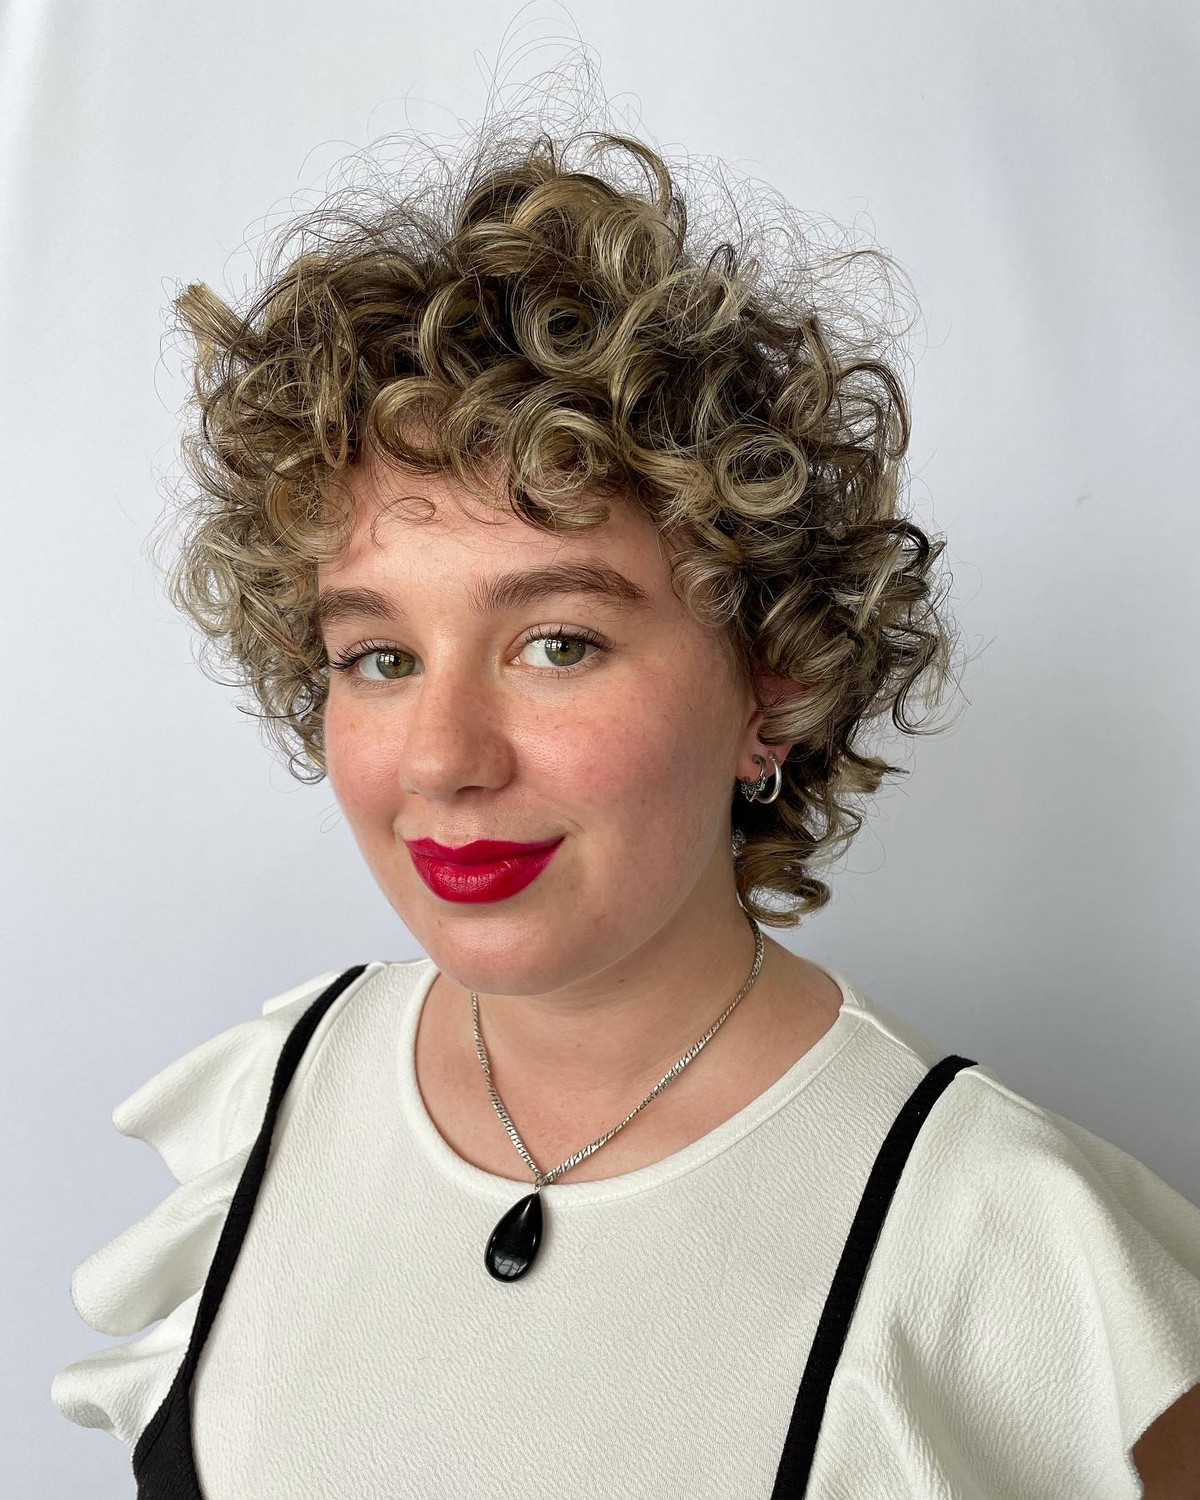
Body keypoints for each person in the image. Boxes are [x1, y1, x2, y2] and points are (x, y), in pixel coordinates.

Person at [51, 119, 1200, 1499]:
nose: (440, 760)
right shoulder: (278, 1091)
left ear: (773, 684)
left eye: (558, 643)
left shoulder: (1004, 1246)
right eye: (380, 657)